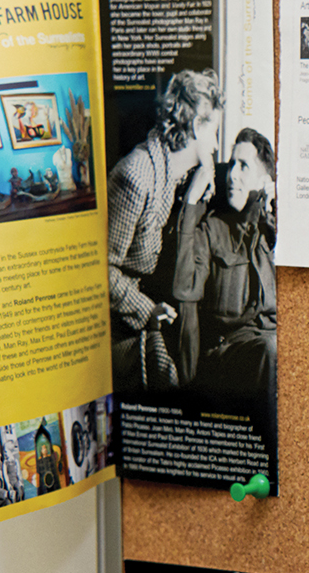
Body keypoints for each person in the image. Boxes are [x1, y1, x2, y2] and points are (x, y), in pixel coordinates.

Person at [108, 69, 223, 390]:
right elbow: (99, 271)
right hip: (113, 325)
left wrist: (204, 173)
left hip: (138, 306)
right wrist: (147, 311)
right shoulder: (136, 175)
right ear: (195, 126)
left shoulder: (172, 168)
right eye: (213, 131)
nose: (215, 144)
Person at [172, 128, 277, 414]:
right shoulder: (212, 229)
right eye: (231, 164)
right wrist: (191, 204)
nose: (232, 174)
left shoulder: (274, 230)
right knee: (272, 351)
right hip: (227, 356)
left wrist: (278, 211)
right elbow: (184, 288)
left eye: (243, 166)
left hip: (272, 349)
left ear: (264, 180)